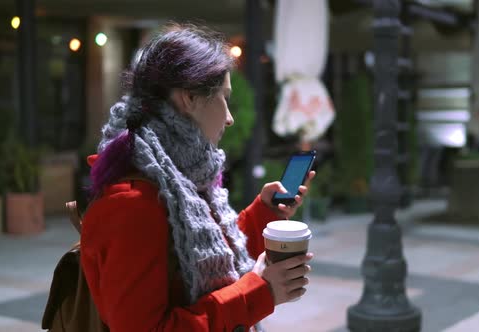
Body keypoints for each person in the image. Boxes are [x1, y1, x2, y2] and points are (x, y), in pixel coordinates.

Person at [80, 22, 315, 332]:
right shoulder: (133, 202)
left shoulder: (180, 177)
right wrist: (261, 292)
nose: (230, 118)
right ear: (190, 98)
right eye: (224, 98)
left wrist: (263, 214)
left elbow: (202, 252)